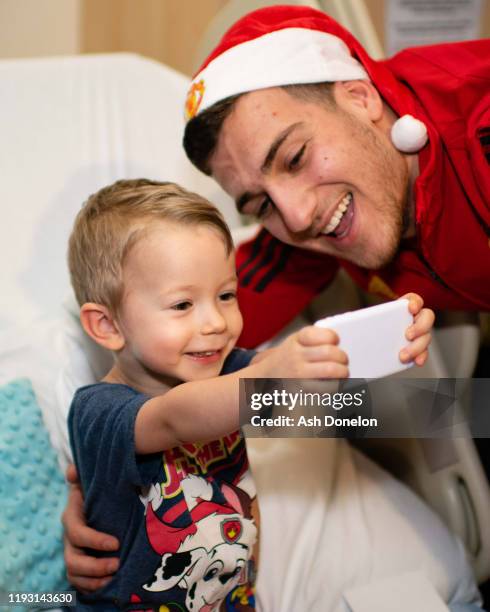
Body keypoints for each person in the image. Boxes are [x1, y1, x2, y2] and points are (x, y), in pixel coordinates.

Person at [64, 177, 435, 610]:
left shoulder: (230, 373)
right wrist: (275, 374)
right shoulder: (98, 411)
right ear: (106, 326)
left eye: (225, 295)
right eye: (182, 305)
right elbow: (176, 417)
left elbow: (309, 392)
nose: (216, 323)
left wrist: (387, 340)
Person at [182, 4, 490, 348]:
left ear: (360, 97)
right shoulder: (320, 218)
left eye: (295, 158)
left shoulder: (479, 135)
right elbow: (210, 327)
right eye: (263, 204)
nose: (297, 218)